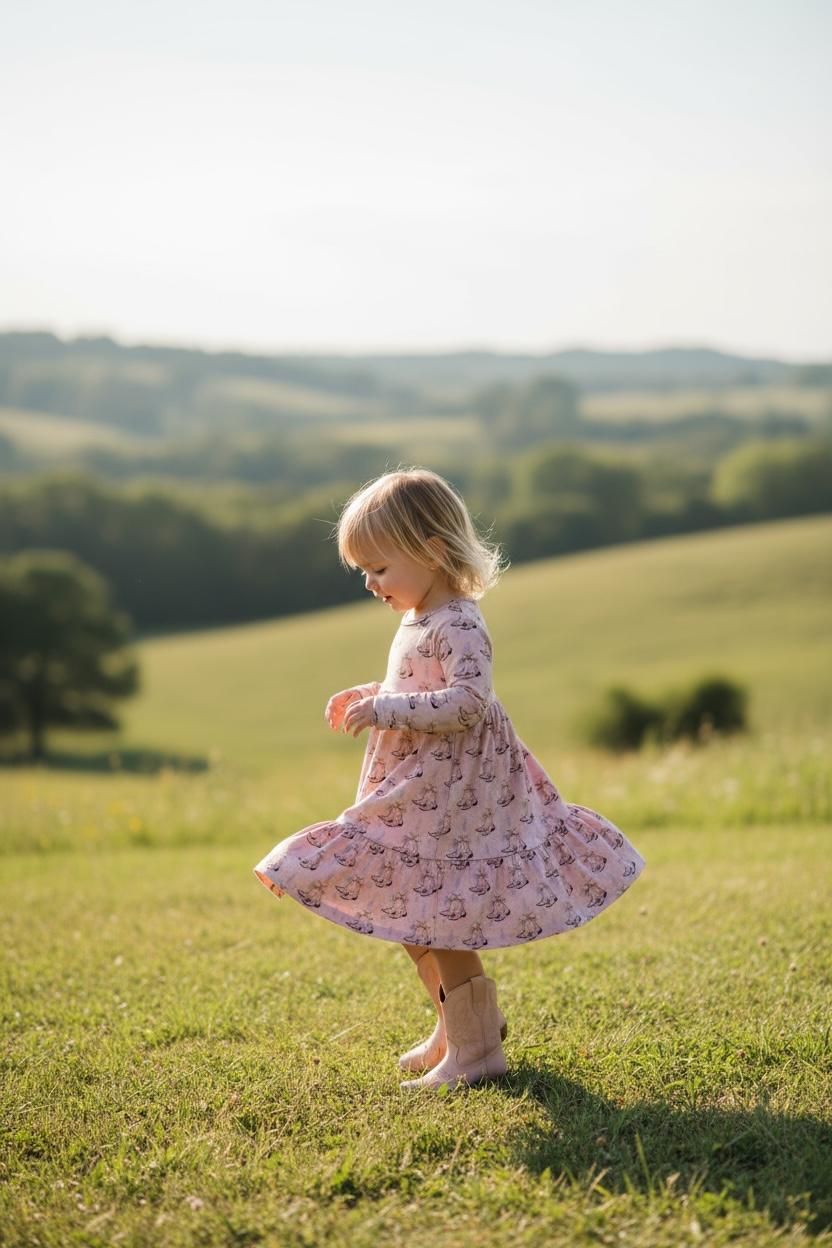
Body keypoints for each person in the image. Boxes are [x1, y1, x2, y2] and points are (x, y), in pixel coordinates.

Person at [254, 468, 645, 1090]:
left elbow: (467, 704)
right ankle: (458, 1028)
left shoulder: (460, 623)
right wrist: (373, 692)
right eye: (364, 569)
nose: (369, 582)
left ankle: (478, 1050)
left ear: (432, 551)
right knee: (413, 912)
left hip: (458, 794)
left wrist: (384, 710)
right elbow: (420, 687)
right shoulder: (419, 618)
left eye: (379, 567)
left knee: (440, 912)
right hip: (421, 787)